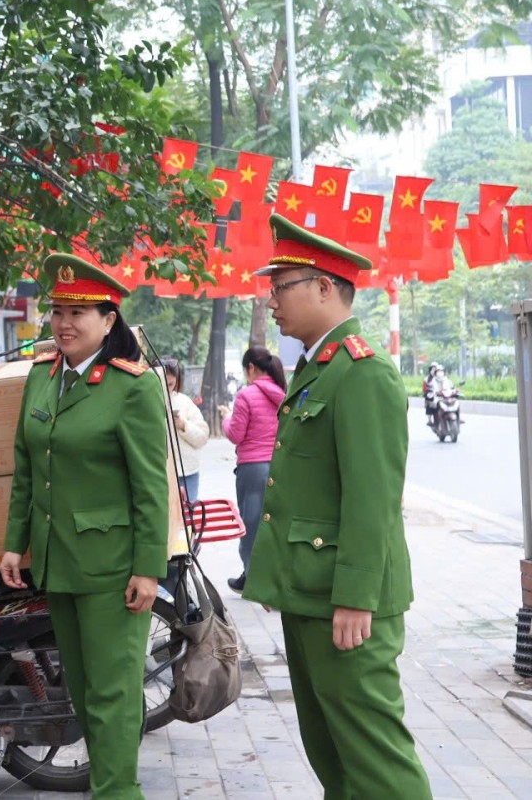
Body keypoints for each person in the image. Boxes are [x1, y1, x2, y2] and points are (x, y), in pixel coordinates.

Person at [243, 214, 432, 799]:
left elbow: (373, 501)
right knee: (332, 755)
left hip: (345, 602)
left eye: (282, 285)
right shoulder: (316, 370)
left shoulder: (363, 374)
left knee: (377, 762)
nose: (272, 299)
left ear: (325, 286)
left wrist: (355, 597)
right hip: (310, 591)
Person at [0, 253, 170, 800]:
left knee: (114, 694)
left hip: (113, 569)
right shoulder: (43, 378)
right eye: (58, 311)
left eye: (79, 312)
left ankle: (119, 793)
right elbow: (27, 467)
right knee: (82, 692)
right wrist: (14, 544)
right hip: (58, 562)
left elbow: (151, 487)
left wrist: (149, 569)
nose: (65, 323)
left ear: (109, 319)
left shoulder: (132, 386)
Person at [217, 346, 286, 593]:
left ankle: (253, 577)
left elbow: (236, 434)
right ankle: (268, 576)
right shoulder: (282, 393)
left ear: (251, 368)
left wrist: (226, 418)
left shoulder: (246, 395)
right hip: (279, 466)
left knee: (251, 524)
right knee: (275, 524)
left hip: (252, 469)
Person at [159, 357, 209, 501]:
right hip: (159, 474)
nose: (167, 388)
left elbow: (202, 438)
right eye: (162, 383)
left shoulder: (184, 402)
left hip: (187, 472)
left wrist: (183, 425)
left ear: (177, 381)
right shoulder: (145, 401)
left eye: (171, 384)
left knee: (189, 516)